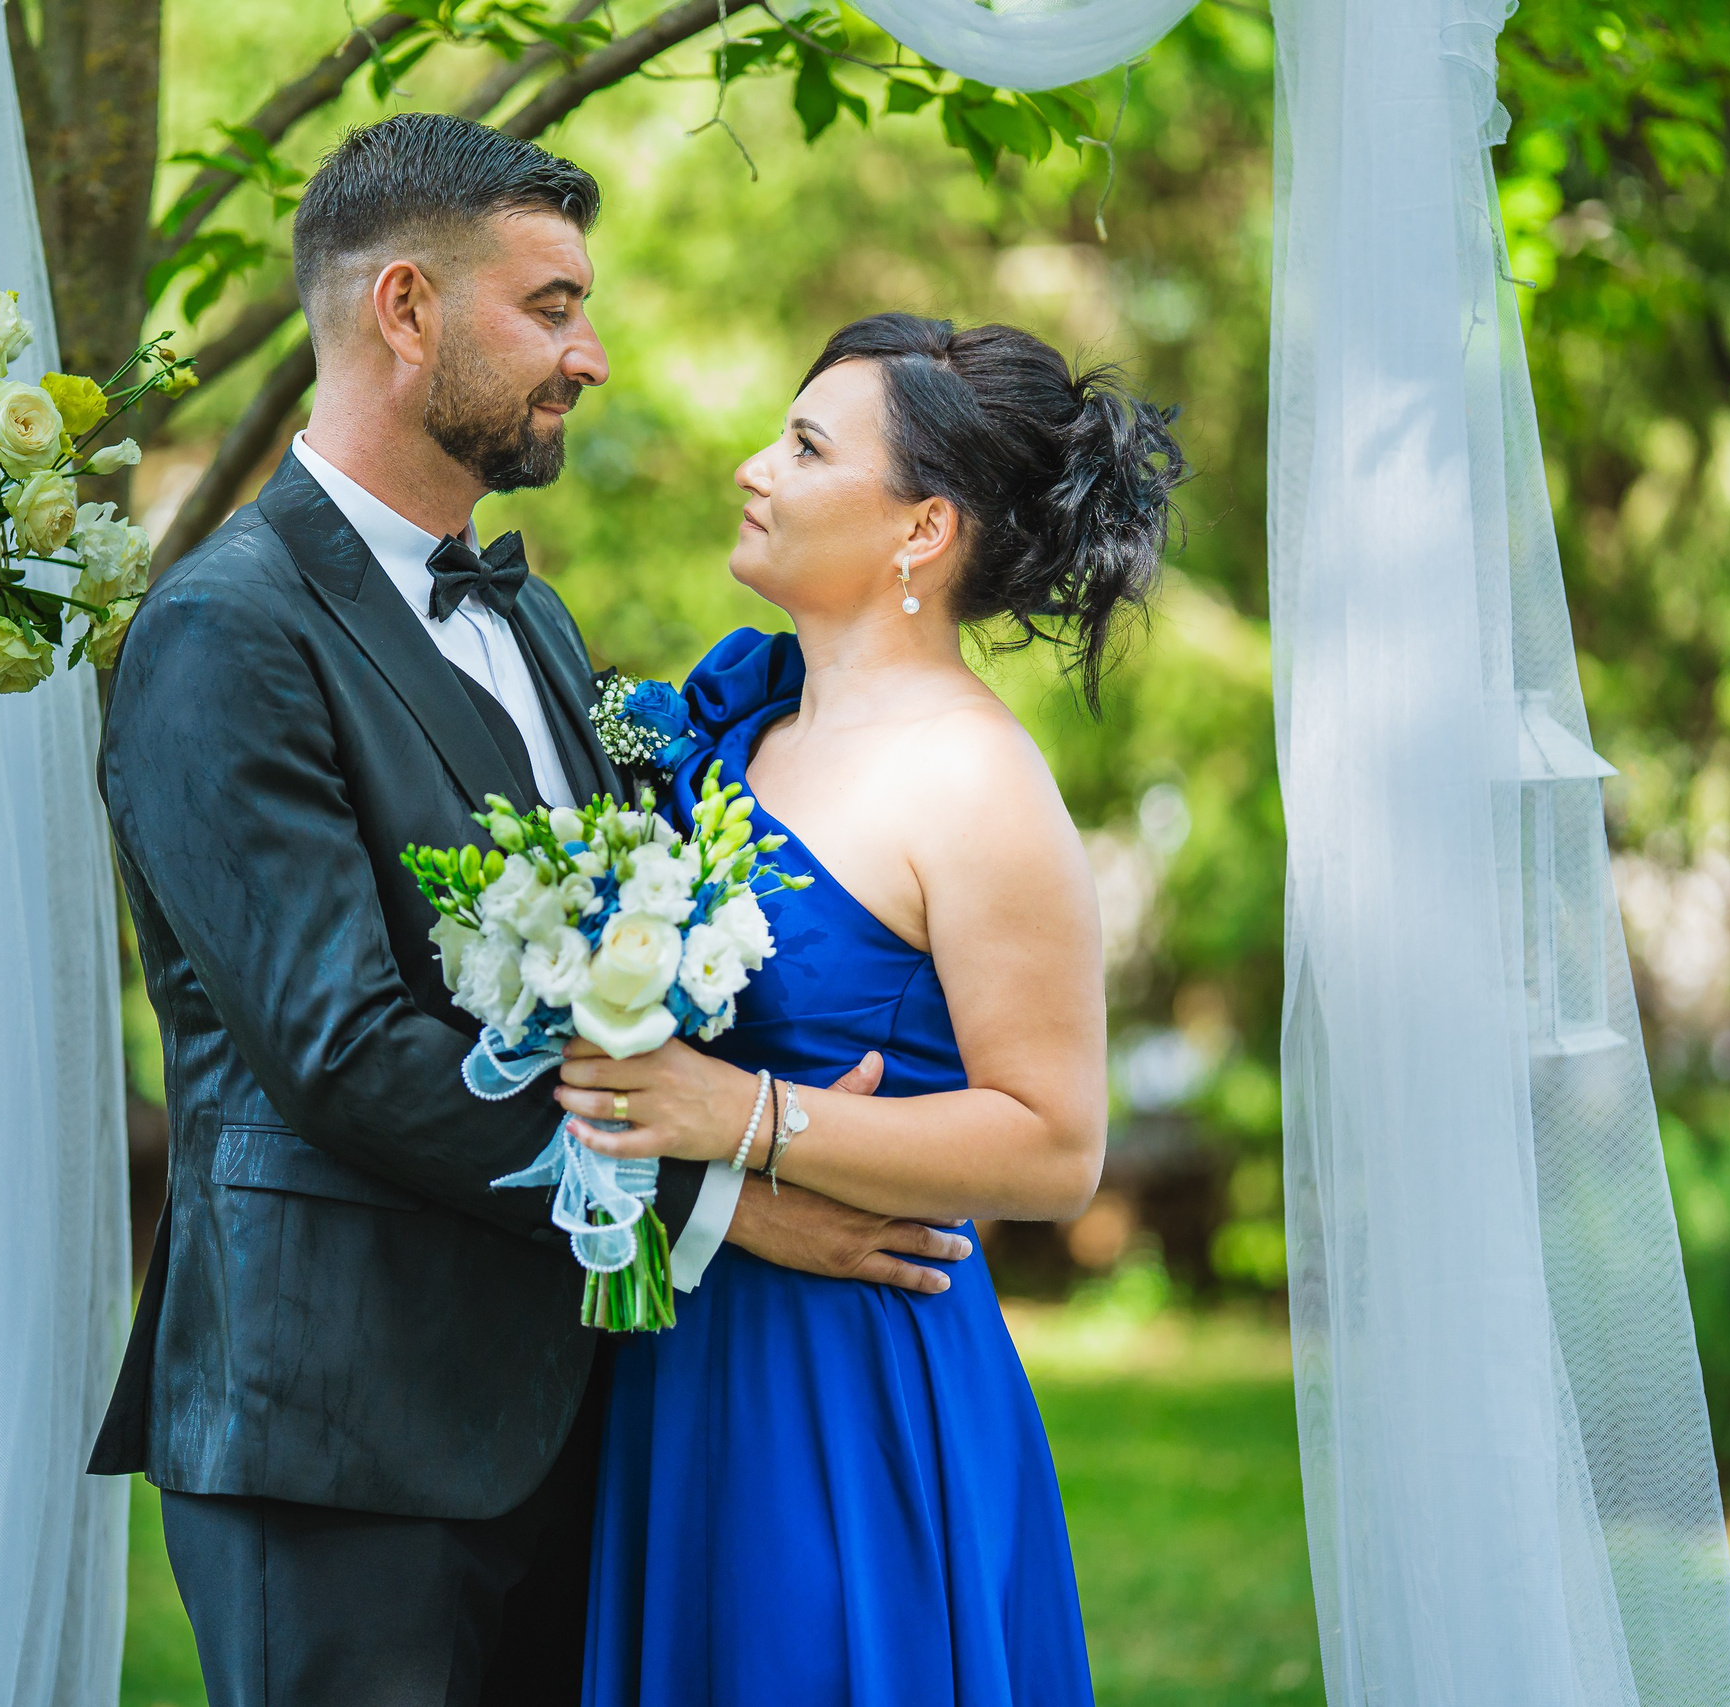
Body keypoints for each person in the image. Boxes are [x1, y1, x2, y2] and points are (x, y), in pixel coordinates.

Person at [89, 115, 966, 1706]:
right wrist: (718, 1203)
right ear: (406, 309)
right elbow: (344, 1047)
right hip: (341, 1430)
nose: (592, 356)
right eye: (551, 308)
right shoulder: (226, 630)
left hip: (583, 1415)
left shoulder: (534, 620)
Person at [555, 313, 1186, 1706]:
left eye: (804, 447)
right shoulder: (745, 730)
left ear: (922, 530)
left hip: (849, 1378)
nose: (752, 468)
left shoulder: (975, 780)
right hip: (685, 1352)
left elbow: (1054, 1145)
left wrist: (741, 1114)